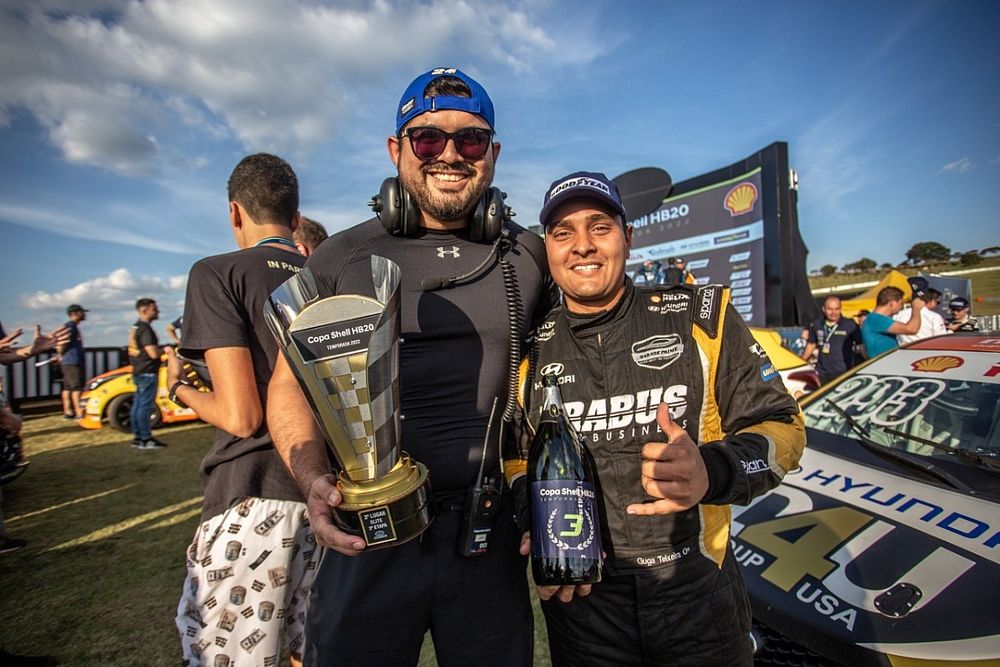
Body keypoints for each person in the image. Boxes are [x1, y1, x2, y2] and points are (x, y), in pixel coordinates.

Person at [266, 66, 557, 666]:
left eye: (470, 140)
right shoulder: (342, 255)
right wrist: (313, 480)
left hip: (487, 539)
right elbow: (288, 388)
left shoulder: (527, 254)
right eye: (428, 138)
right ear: (397, 149)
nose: (449, 154)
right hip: (367, 536)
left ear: (493, 153)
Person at [513, 171, 805, 666]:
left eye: (599, 227)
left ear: (627, 237)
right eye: (563, 233)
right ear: (548, 249)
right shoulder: (527, 351)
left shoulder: (700, 317)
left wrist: (712, 470)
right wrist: (535, 524)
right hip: (585, 609)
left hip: (698, 596)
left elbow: (785, 428)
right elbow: (517, 460)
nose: (582, 246)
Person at [169, 153, 318, 667]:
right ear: (296, 218)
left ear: (235, 213)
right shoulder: (328, 274)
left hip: (254, 493)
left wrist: (179, 390)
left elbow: (241, 417)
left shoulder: (218, 272)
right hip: (331, 496)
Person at [127, 298, 164, 450]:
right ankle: (146, 438)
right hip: (147, 372)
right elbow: (153, 353)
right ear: (144, 310)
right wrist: (167, 349)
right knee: (145, 407)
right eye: (154, 309)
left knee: (137, 406)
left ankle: (137, 437)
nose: (157, 312)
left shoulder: (135, 327)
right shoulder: (145, 329)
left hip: (138, 371)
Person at [800, 295, 862, 384]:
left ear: (840, 309)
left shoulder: (850, 324)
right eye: (830, 309)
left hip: (844, 373)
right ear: (823, 309)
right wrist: (801, 361)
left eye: (836, 309)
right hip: (822, 373)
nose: (833, 312)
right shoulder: (817, 324)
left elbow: (861, 345)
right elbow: (811, 345)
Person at [860, 286, 924, 358]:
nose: (902, 307)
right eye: (901, 303)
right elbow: (912, 329)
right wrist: (916, 308)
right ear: (892, 303)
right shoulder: (876, 319)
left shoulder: (873, 319)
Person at [58, 304, 88, 419]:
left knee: (67, 387)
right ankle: (79, 412)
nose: (84, 315)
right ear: (75, 313)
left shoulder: (71, 326)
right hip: (72, 362)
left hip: (68, 362)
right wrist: (60, 354)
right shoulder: (71, 326)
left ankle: (68, 412)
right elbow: (63, 342)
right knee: (76, 387)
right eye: (82, 312)